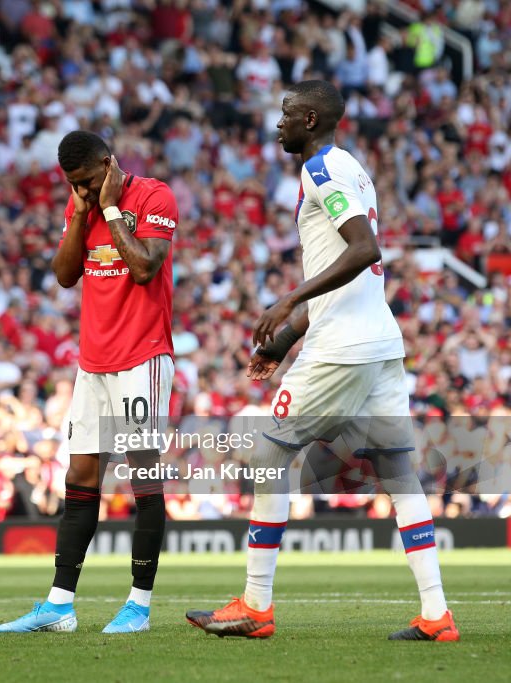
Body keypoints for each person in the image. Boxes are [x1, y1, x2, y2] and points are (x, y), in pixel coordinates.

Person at [185, 80, 458, 642]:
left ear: (310, 119)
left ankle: (256, 605)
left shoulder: (322, 171)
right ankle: (437, 614)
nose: (278, 122)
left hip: (344, 348)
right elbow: (351, 269)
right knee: (397, 472)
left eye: (287, 113)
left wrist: (290, 298)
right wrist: (284, 340)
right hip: (380, 343)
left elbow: (364, 250)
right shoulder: (352, 168)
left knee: (269, 451)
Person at [0, 130, 177, 634]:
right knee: (79, 478)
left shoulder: (154, 196)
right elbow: (63, 274)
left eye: (88, 180)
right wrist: (80, 214)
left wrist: (113, 208)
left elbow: (144, 268)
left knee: (143, 477)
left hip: (144, 357)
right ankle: (58, 605)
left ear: (108, 163)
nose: (83, 189)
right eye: (73, 184)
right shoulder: (83, 205)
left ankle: (138, 606)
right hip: (92, 363)